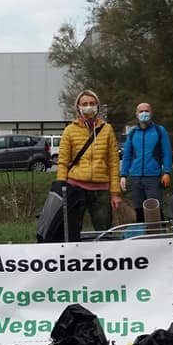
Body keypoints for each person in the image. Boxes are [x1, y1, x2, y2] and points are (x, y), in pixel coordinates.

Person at [56, 89, 121, 240]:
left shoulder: (107, 129)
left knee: (104, 232)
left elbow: (113, 162)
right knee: (71, 231)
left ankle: (105, 259)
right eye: (84, 104)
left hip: (101, 190)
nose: (88, 106)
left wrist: (115, 193)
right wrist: (60, 188)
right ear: (78, 107)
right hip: (75, 188)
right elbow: (63, 162)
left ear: (98, 106)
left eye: (92, 103)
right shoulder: (69, 130)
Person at [119, 102, 173, 223]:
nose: (144, 113)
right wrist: (123, 174)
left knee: (154, 209)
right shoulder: (132, 133)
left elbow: (167, 153)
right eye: (141, 111)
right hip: (136, 177)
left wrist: (167, 172)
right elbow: (127, 155)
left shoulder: (160, 130)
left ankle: (159, 237)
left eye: (146, 111)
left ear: (151, 113)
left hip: (153, 177)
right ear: (136, 114)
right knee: (139, 209)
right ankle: (142, 237)